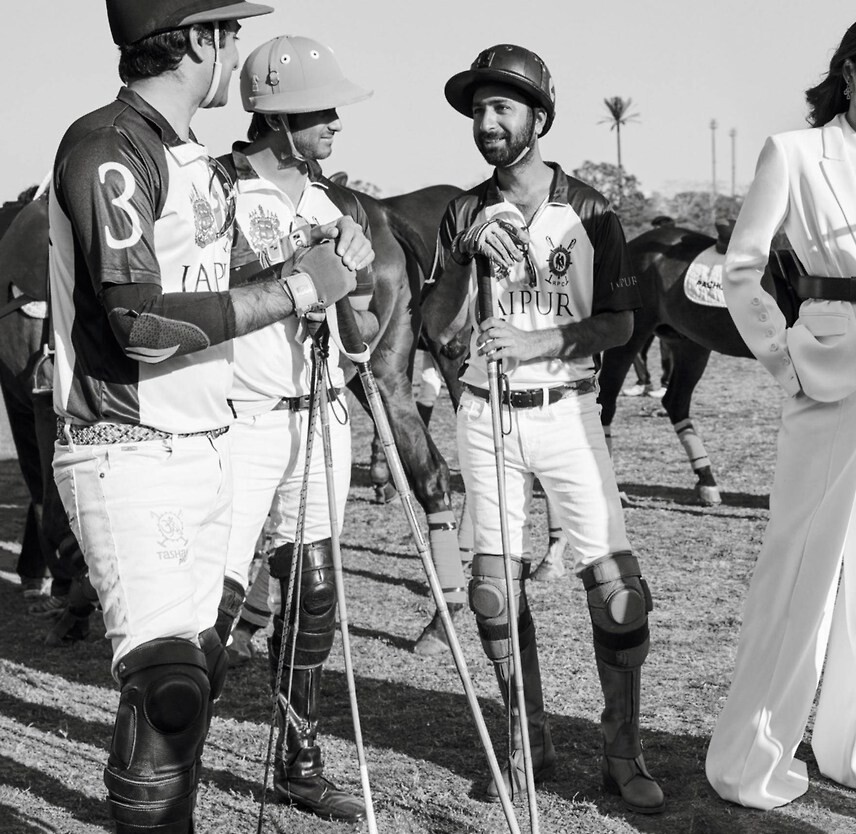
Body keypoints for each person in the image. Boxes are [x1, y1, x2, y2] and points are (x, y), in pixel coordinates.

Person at [48, 3, 371, 829]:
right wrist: (299, 288)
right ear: (197, 39)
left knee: (197, 672)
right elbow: (138, 322)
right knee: (170, 690)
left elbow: (221, 279)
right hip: (125, 444)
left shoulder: (190, 157)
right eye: (227, 32)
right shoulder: (110, 146)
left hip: (207, 442)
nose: (235, 49)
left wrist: (325, 258)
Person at [705, 11, 856, 809]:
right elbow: (742, 269)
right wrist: (785, 362)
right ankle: (750, 761)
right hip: (825, 369)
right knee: (799, 566)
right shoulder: (793, 152)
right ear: (848, 71)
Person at [425, 43, 665, 814]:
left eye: (502, 107)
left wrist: (540, 343)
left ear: (539, 117)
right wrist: (462, 259)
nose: (486, 122)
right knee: (494, 595)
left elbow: (620, 323)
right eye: (478, 110)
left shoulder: (591, 211)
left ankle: (622, 753)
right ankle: (527, 742)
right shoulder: (463, 212)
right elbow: (437, 327)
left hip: (567, 410)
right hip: (485, 413)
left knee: (619, 594)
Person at [212, 34, 386, 822]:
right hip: (237, 421)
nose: (336, 124)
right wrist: (295, 274)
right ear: (279, 118)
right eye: (323, 112)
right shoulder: (217, 189)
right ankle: (171, 752)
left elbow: (363, 334)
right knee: (211, 604)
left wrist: (351, 285)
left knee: (314, 591)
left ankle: (300, 762)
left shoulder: (329, 205)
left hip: (319, 414)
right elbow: (198, 299)